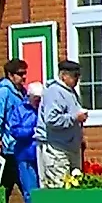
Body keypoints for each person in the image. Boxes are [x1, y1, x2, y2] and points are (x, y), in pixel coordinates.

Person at [0, 57, 41, 203]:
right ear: (10, 74)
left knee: (20, 182)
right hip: (8, 146)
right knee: (7, 183)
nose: (24, 77)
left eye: (25, 73)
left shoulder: (22, 92)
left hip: (20, 147)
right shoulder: (3, 92)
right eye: (20, 74)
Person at [37, 58, 87, 189]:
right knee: (59, 187)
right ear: (63, 75)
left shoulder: (71, 92)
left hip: (71, 147)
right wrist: (74, 118)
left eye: (78, 76)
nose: (77, 79)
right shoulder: (54, 91)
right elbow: (51, 119)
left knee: (75, 185)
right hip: (57, 149)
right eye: (74, 76)